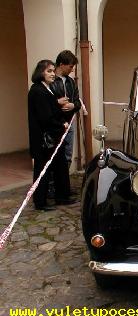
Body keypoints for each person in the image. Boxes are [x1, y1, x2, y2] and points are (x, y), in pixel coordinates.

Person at [28, 60, 74, 211]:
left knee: (60, 166)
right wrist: (62, 124)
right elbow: (44, 117)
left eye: (53, 71)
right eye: (49, 71)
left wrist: (58, 106)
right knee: (42, 170)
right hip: (44, 139)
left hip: (53, 138)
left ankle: (62, 196)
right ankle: (40, 202)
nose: (53, 74)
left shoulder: (46, 89)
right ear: (41, 72)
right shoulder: (37, 90)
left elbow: (51, 109)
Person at [50, 50, 81, 165]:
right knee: (55, 154)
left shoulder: (71, 82)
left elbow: (78, 102)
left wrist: (73, 105)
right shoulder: (50, 81)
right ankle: (55, 182)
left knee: (68, 154)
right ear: (61, 64)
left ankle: (65, 180)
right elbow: (44, 103)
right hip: (55, 123)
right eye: (71, 66)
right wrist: (57, 103)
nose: (72, 69)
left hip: (69, 122)